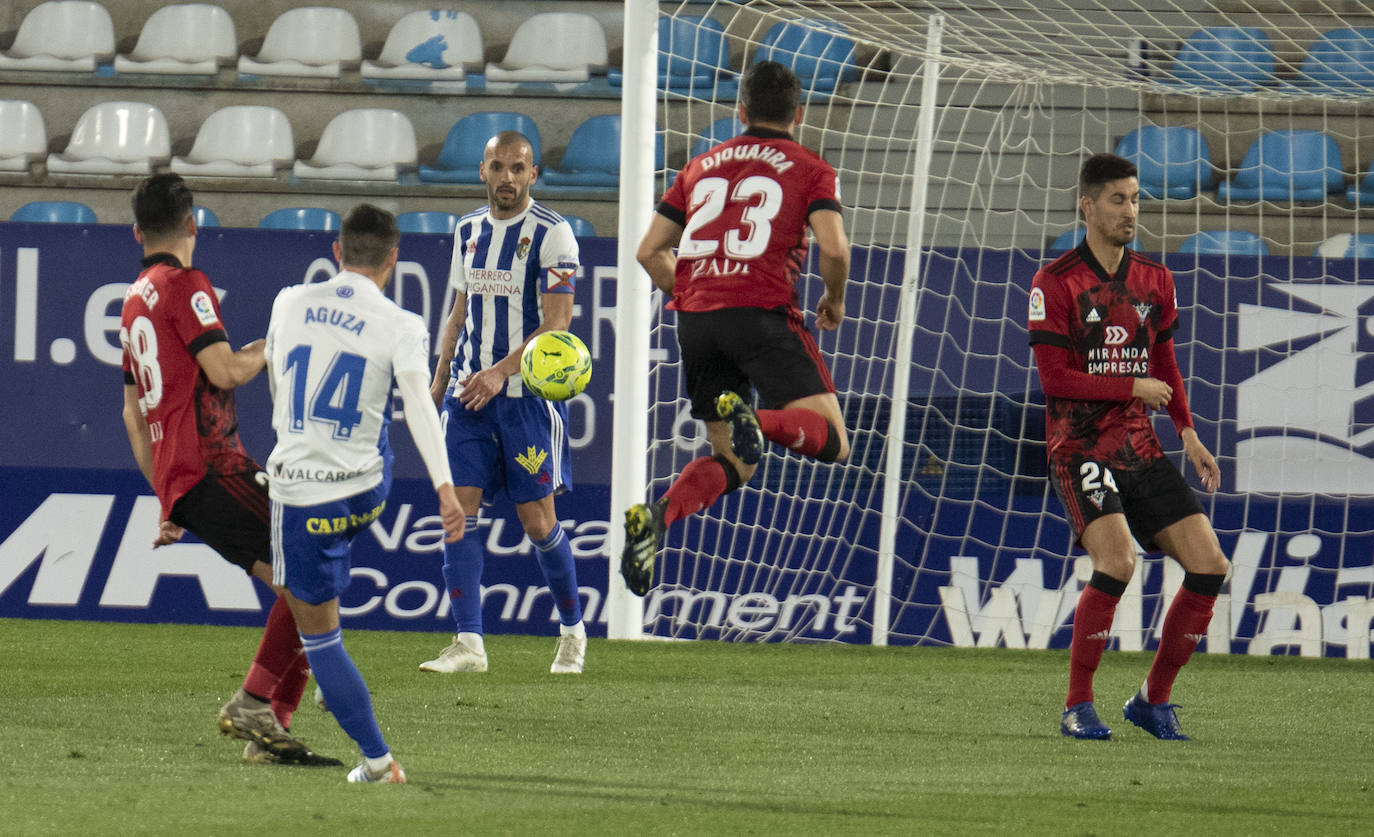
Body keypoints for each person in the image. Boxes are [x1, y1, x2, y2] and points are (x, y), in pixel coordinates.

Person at [118, 172, 337, 767]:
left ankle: (269, 728)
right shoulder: (186, 283)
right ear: (194, 223)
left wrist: (167, 499)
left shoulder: (134, 298)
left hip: (187, 479)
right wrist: (277, 338)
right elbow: (226, 371)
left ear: (138, 231)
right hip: (214, 467)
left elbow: (134, 415)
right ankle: (258, 705)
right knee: (312, 574)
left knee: (305, 582)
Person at [620, 60, 852, 596]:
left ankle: (658, 517)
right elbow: (835, 247)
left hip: (696, 319)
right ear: (799, 113)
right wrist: (833, 298)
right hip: (760, 311)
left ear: (740, 110)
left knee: (734, 461)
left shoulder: (700, 165)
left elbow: (648, 250)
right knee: (835, 441)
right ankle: (760, 420)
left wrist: (695, 292)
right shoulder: (810, 166)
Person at [1028, 153, 1230, 741]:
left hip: (1139, 444)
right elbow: (1054, 380)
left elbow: (1165, 361)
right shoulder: (1054, 281)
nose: (1130, 210)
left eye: (1136, 198)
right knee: (1117, 561)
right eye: (1117, 199)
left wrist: (1187, 431)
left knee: (1210, 564)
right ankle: (1076, 705)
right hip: (1079, 447)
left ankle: (1151, 700)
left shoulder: (1155, 280)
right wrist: (1130, 386)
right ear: (1086, 206)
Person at [264, 204, 465, 783]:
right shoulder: (401, 323)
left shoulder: (286, 301)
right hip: (369, 490)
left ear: (336, 252)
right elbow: (420, 402)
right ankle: (335, 673)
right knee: (373, 428)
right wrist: (444, 488)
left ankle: (378, 762)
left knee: (316, 632)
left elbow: (279, 381)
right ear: (393, 261)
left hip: (304, 496)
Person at [421, 130, 588, 675]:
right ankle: (468, 644)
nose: (508, 178)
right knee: (457, 513)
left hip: (525, 400)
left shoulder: (554, 234)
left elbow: (557, 323)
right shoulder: (467, 230)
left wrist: (499, 372)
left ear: (533, 175)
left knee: (537, 521)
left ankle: (571, 633)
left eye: (519, 168)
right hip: (469, 396)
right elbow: (459, 310)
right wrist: (439, 379)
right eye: (498, 167)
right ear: (482, 170)